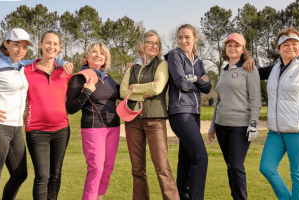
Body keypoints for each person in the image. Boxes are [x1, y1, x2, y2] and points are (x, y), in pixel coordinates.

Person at [0, 28, 72, 200]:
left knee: (19, 175)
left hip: (15, 129)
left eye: (24, 47)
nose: (20, 50)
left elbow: (46, 59)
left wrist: (62, 62)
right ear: (6, 44)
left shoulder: (20, 64)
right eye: (16, 45)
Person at [243, 27, 299, 200]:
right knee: (266, 167)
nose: (290, 47)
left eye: (294, 44)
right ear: (278, 48)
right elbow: (255, 70)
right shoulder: (274, 68)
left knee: (297, 172)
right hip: (276, 131)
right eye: (286, 44)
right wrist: (250, 59)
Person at [120, 30, 180, 200]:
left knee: (162, 167)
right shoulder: (132, 67)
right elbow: (123, 91)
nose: (155, 46)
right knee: (137, 169)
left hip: (155, 119)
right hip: (132, 120)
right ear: (141, 45)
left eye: (157, 43)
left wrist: (135, 88)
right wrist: (141, 93)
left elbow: (157, 88)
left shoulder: (162, 64)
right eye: (150, 42)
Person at [208, 33, 261, 200]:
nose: (232, 48)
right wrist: (212, 125)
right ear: (225, 49)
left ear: (242, 49)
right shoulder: (223, 72)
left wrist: (253, 123)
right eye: (229, 45)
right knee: (230, 166)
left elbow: (255, 99)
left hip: (240, 126)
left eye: (236, 45)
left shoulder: (249, 69)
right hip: (222, 125)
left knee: (237, 166)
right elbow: (219, 101)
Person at [66, 42, 120, 200]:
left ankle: (100, 197)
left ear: (105, 59)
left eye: (102, 53)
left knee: (107, 168)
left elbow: (123, 94)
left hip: (114, 128)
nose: (98, 55)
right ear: (86, 57)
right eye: (94, 52)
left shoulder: (109, 79)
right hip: (93, 128)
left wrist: (131, 69)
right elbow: (71, 108)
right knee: (96, 168)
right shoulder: (79, 78)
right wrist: (87, 91)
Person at [164, 24, 211, 200]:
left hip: (195, 114)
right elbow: (181, 83)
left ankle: (183, 197)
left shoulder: (198, 61)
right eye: (180, 38)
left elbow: (207, 87)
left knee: (186, 159)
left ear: (195, 38)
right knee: (201, 157)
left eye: (187, 37)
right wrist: (198, 83)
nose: (183, 41)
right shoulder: (175, 55)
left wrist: (197, 79)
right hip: (180, 113)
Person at [23, 30, 72, 200]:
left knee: (56, 174)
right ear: (41, 45)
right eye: (48, 43)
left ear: (60, 48)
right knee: (42, 176)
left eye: (55, 44)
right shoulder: (26, 70)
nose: (51, 46)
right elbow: (4, 78)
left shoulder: (65, 72)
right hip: (36, 131)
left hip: (62, 130)